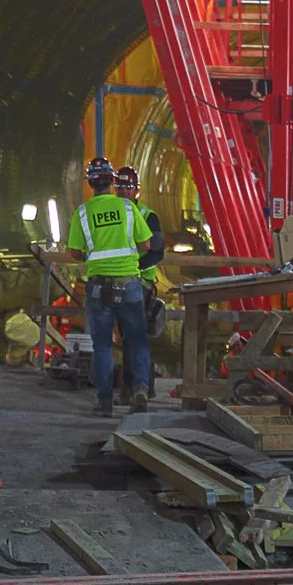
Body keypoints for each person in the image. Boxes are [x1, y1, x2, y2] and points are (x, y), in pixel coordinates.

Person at [72, 158, 153, 415]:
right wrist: (128, 260)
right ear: (111, 181)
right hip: (129, 283)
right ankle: (140, 388)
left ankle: (105, 401)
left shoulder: (83, 213)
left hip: (99, 287)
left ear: (91, 184)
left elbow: (75, 252)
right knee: (138, 340)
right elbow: (147, 245)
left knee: (103, 345)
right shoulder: (129, 209)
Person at [113, 165, 167, 397]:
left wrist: (134, 269)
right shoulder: (113, 214)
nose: (124, 191)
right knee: (126, 336)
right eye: (120, 187)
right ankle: (137, 386)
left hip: (140, 284)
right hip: (116, 280)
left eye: (129, 187)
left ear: (137, 190)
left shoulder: (147, 216)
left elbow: (156, 252)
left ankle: (138, 386)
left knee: (134, 335)